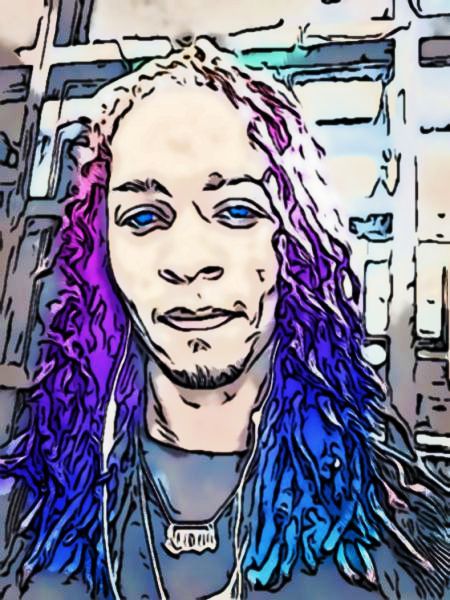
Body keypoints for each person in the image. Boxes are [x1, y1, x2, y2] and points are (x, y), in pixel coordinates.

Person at [0, 37, 447, 599]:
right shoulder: (30, 513)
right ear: (101, 250)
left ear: (296, 243)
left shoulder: (401, 526)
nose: (189, 262)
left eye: (236, 211)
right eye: (144, 217)